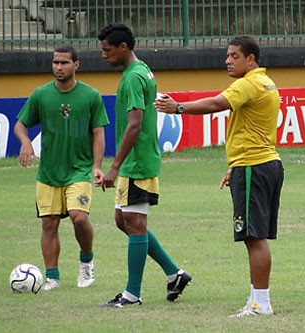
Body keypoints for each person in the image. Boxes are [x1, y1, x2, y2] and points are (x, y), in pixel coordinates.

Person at [155, 35, 284, 317]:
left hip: (254, 166)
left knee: (254, 236)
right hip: (260, 164)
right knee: (254, 235)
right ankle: (256, 300)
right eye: (227, 55)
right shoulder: (266, 82)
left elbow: (216, 104)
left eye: (234, 56)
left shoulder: (248, 83)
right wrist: (233, 167)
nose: (227, 60)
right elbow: (253, 129)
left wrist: (178, 108)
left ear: (250, 59)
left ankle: (261, 303)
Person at [97, 23, 191, 308]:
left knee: (135, 224)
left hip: (136, 163)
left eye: (107, 50)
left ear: (123, 48)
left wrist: (114, 166)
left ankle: (132, 294)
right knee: (122, 220)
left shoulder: (133, 78)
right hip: (137, 161)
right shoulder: (142, 70)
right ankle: (174, 273)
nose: (103, 55)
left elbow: (135, 124)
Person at [14, 45, 109, 291]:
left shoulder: (91, 96)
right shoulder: (41, 95)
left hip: (79, 170)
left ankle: (87, 261)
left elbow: (98, 133)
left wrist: (97, 167)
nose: (59, 67)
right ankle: (52, 277)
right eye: (55, 62)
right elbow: (20, 125)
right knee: (49, 223)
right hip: (48, 173)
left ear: (76, 65)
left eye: (64, 63)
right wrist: (25, 142)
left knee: (79, 218)